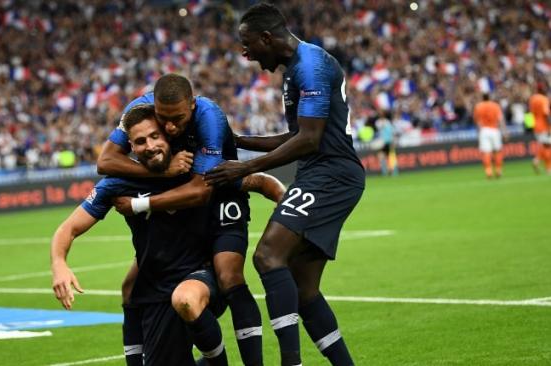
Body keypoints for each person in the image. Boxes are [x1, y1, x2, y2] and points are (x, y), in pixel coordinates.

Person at [205, 3, 365, 366]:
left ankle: (290, 362)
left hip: (331, 174)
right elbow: (296, 137)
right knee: (304, 289)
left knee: (267, 256)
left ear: (267, 37)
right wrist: (239, 142)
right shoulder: (298, 67)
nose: (246, 55)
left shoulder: (310, 66)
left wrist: (242, 168)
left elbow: (309, 140)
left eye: (248, 45)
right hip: (321, 172)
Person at [98, 74, 267, 366]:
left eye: (178, 118)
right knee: (131, 286)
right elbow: (105, 161)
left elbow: (202, 191)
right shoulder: (141, 109)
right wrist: (161, 174)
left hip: (220, 195)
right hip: (183, 200)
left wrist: (140, 204)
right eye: (164, 119)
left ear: (192, 103)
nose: (171, 127)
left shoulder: (210, 117)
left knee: (229, 275)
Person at [52, 104, 228, 365]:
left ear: (167, 135)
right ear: (132, 148)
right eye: (141, 141)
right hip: (156, 289)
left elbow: (243, 177)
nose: (150, 145)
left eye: (155, 136)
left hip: (201, 276)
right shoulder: (117, 184)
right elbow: (68, 228)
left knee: (186, 300)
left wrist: (276, 192)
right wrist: (59, 264)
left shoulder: (194, 167)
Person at [473, 94, 507, 179]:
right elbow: (501, 120)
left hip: (484, 130)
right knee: (497, 151)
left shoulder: (478, 106)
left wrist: (478, 133)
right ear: (490, 97)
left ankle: (488, 171)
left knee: (486, 152)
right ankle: (498, 170)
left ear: (482, 98)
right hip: (494, 130)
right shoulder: (495, 106)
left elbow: (477, 122)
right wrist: (504, 132)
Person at [529, 91, 550, 174]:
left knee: (544, 146)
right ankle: (547, 167)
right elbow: (546, 114)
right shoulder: (544, 99)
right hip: (544, 126)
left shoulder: (532, 99)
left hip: (536, 125)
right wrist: (549, 126)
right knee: (548, 146)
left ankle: (538, 160)